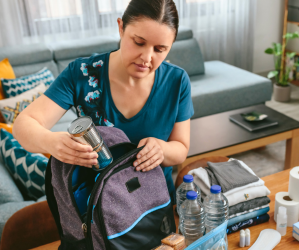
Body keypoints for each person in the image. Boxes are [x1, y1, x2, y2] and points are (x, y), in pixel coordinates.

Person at [13, 0, 194, 203]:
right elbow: (23, 124)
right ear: (121, 27)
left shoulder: (177, 81)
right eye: (139, 42)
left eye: (160, 49)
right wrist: (52, 142)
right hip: (98, 211)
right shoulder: (81, 74)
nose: (146, 57)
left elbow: (181, 148)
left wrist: (162, 149)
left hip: (155, 205)